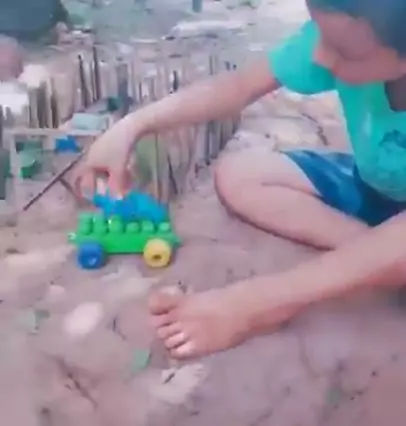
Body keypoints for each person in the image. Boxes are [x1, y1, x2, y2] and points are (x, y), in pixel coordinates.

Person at [75, 0, 406, 359]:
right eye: (320, 33)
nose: (320, 56)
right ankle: (377, 255)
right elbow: (238, 85)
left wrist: (253, 302)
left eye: (344, 52)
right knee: (241, 175)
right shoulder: (347, 32)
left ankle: (372, 262)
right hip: (374, 185)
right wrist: (131, 127)